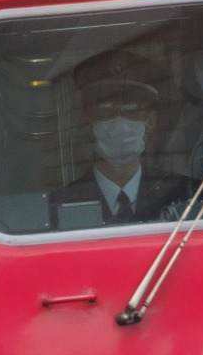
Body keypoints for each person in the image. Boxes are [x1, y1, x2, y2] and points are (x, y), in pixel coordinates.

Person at [56, 52, 187, 226]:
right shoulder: (60, 205)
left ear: (151, 121)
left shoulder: (183, 195)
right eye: (105, 107)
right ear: (88, 121)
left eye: (131, 107)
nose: (119, 119)